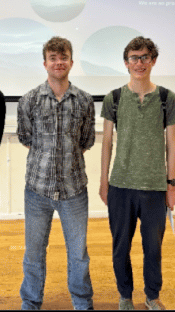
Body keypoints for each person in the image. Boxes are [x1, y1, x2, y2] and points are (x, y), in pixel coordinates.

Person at [100, 36, 175, 310]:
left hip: (154, 187)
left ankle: (151, 296)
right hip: (120, 186)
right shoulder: (113, 98)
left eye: (145, 57)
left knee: (153, 249)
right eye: (134, 58)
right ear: (126, 63)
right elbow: (107, 143)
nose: (140, 63)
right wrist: (104, 182)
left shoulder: (166, 98)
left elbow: (172, 145)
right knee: (120, 246)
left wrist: (171, 185)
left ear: (153, 61)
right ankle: (125, 296)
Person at [17, 37, 95, 310]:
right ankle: (31, 302)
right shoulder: (28, 100)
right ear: (45, 63)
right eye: (53, 57)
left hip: (74, 191)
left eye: (63, 57)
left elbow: (86, 141)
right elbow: (26, 138)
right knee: (34, 254)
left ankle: (82, 303)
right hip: (37, 190)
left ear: (71, 62)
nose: (58, 62)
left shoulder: (85, 101)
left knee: (79, 255)